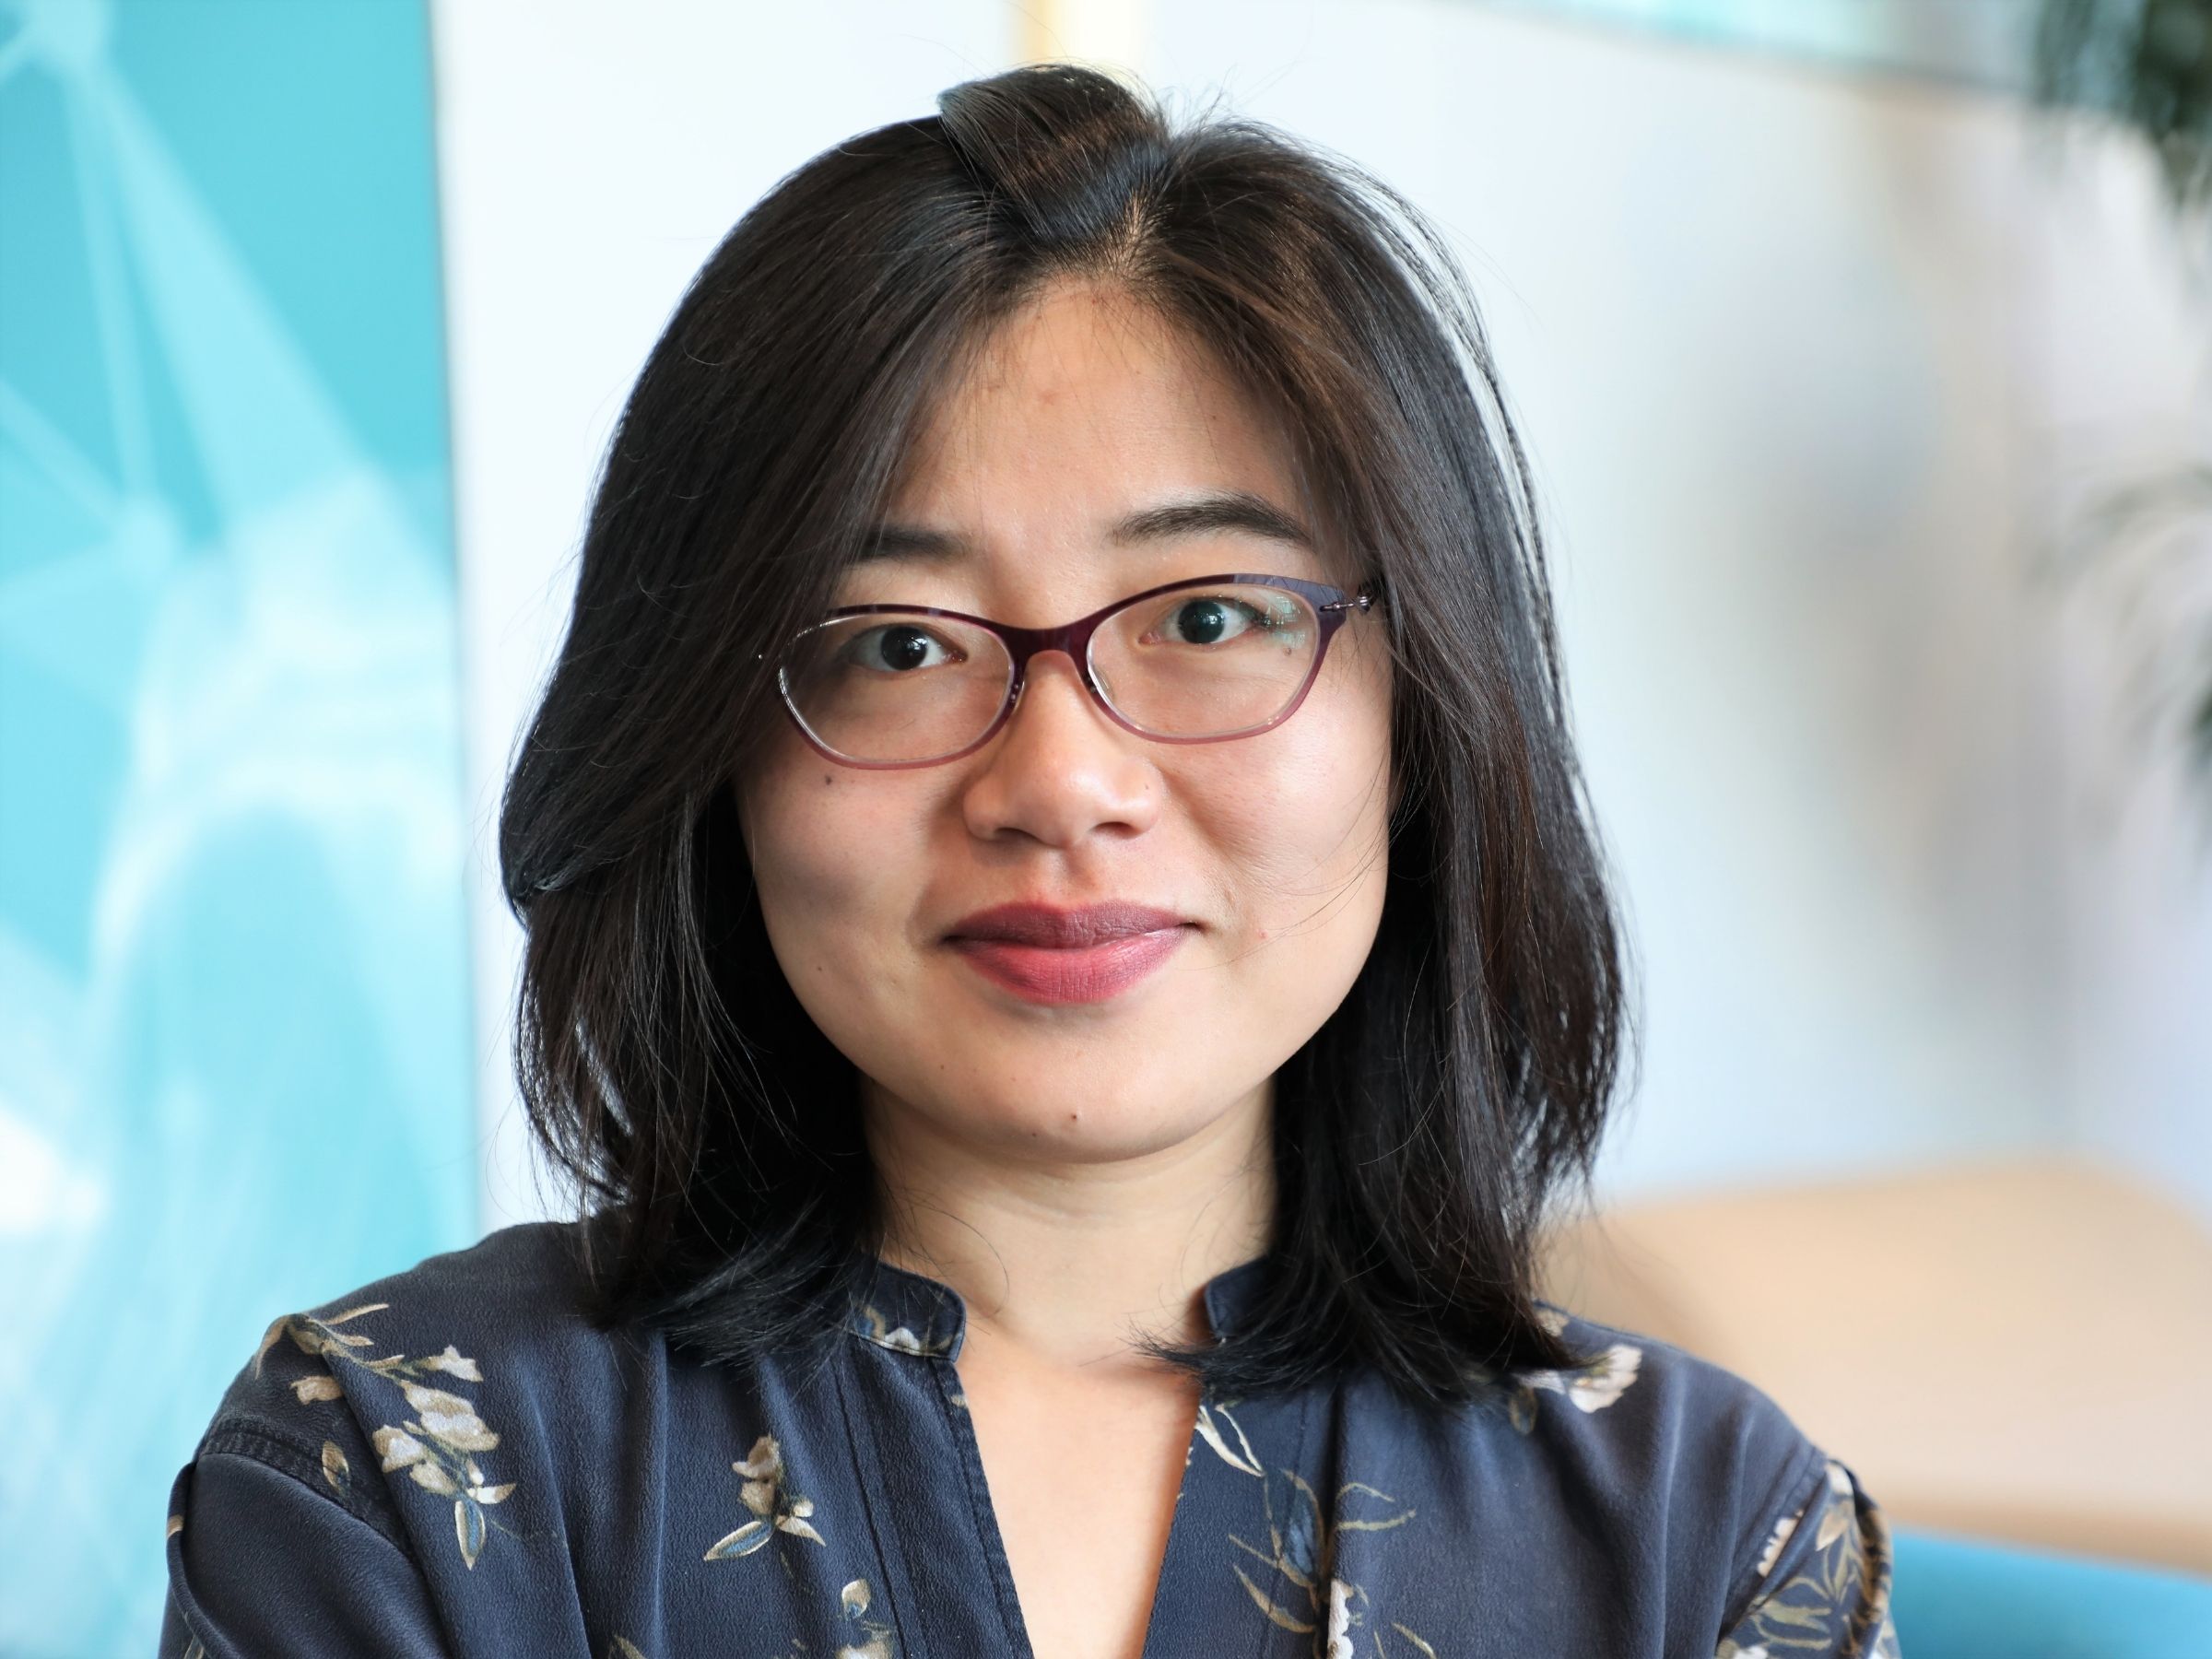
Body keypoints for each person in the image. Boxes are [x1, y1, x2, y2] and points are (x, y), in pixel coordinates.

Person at [159, 62, 1897, 1659]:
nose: (1061, 784)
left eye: (1211, 616)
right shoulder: (396, 1479)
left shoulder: (1708, 1543)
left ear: (1422, 713)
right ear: (711, 750)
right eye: (897, 645)